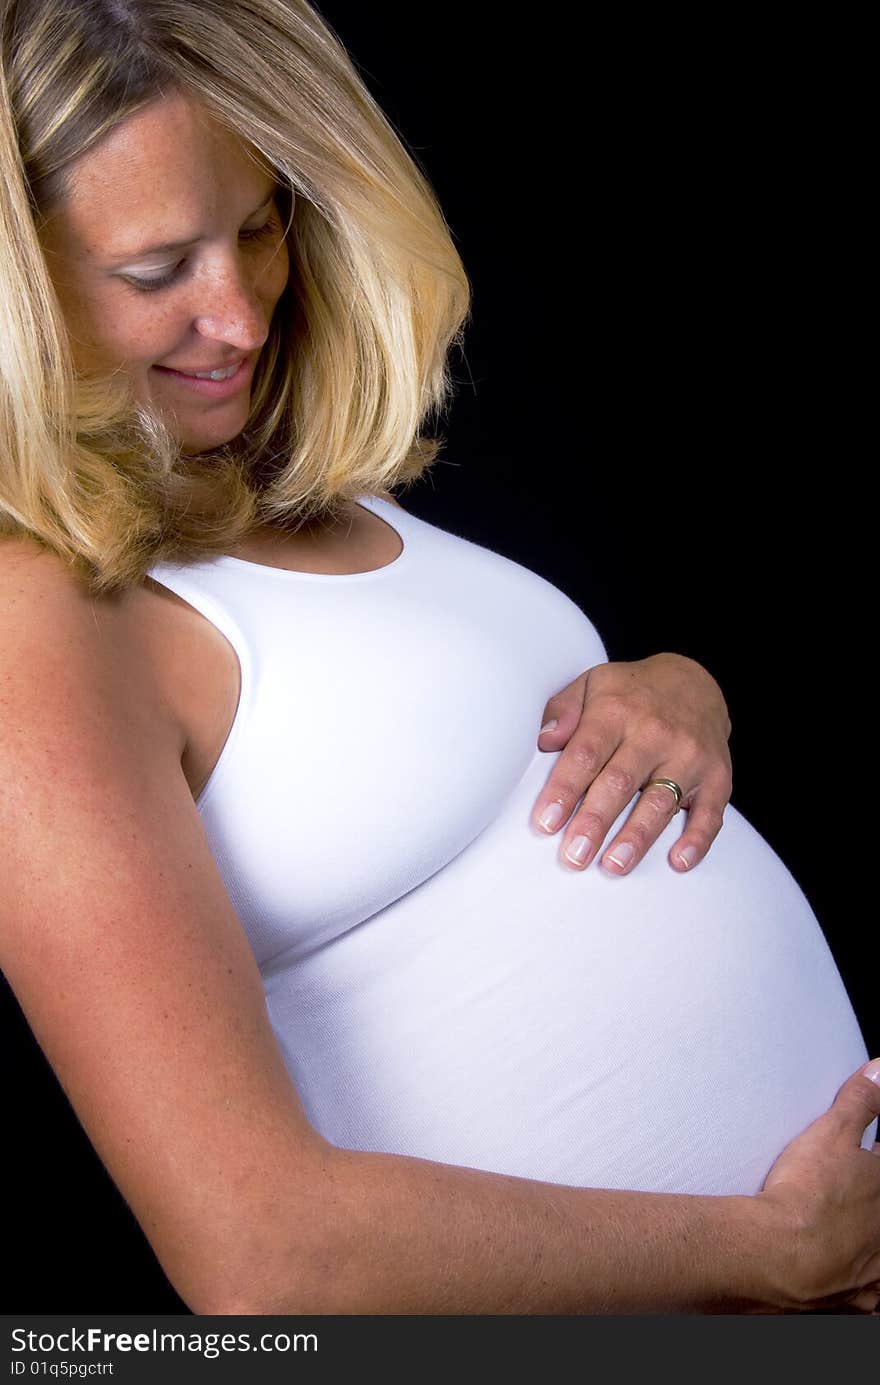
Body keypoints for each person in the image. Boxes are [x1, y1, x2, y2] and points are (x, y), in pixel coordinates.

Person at [1, 0, 878, 1315]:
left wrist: (674, 688)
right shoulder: (39, 623)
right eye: (155, 270)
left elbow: (432, 748)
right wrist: (774, 1250)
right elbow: (258, 1253)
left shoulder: (283, 495)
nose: (236, 316)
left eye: (256, 229)